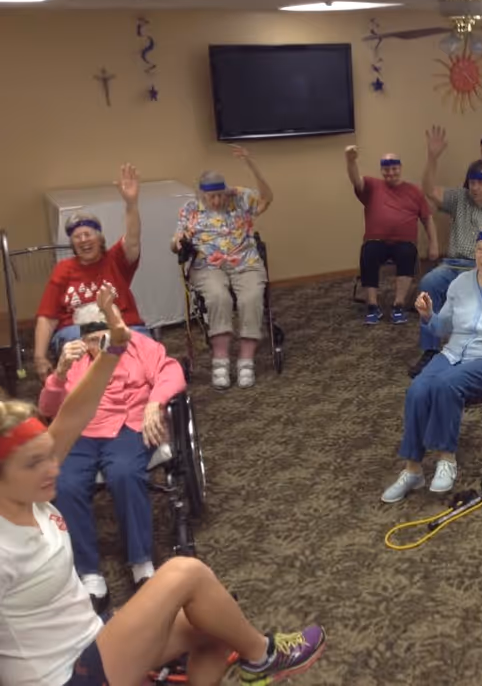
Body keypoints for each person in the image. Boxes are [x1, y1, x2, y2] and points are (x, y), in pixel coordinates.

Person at [0, 287, 325, 686]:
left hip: (89, 639)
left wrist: (118, 345)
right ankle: (264, 657)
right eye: (35, 462)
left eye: (49, 453)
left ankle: (256, 656)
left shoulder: (32, 496)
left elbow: (75, 411)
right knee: (184, 573)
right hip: (63, 676)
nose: (54, 465)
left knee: (217, 623)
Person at [37, 302, 187, 611]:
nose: (98, 343)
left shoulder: (139, 345)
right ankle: (89, 573)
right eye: (90, 337)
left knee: (124, 473)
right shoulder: (75, 360)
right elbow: (48, 410)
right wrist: (59, 374)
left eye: (104, 332)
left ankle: (141, 564)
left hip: (127, 426)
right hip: (83, 432)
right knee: (62, 482)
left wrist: (154, 402)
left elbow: (172, 371)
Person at [381, 225, 482, 503]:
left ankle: (447, 458)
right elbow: (444, 327)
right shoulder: (460, 283)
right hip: (455, 353)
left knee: (446, 385)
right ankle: (413, 469)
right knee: (418, 389)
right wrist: (428, 315)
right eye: (480, 250)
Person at [412, 125, 482, 378]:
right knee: (429, 282)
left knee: (478, 300)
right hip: (453, 265)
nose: (475, 188)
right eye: (472, 182)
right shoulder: (459, 199)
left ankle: (472, 350)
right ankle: (430, 350)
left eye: (481, 183)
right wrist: (432, 157)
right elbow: (429, 190)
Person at [171, 144, 273, 390]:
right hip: (208, 267)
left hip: (245, 263)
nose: (217, 200)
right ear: (202, 195)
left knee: (251, 297)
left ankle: (246, 360)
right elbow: (175, 243)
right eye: (211, 197)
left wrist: (251, 164)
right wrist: (177, 241)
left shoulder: (239, 197)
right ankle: (220, 360)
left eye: (220, 195)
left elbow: (267, 198)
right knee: (218, 298)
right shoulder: (191, 210)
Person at [35, 164, 147, 379]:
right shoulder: (64, 269)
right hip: (76, 332)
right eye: (77, 237)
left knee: (142, 361)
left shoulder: (115, 259)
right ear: (72, 244)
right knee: (84, 372)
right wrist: (39, 358)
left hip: (123, 326)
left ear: (100, 239)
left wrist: (131, 204)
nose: (83, 240)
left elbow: (133, 238)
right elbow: (47, 317)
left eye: (88, 234)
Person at [345, 146, 440, 325]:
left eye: (394, 169)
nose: (390, 173)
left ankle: (399, 305)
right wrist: (351, 161)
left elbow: (427, 220)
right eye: (386, 169)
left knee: (407, 252)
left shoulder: (414, 191)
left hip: (404, 243)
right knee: (368, 252)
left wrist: (434, 244)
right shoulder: (373, 186)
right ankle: (372, 306)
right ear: (382, 170)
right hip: (376, 241)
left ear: (400, 168)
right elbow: (356, 180)